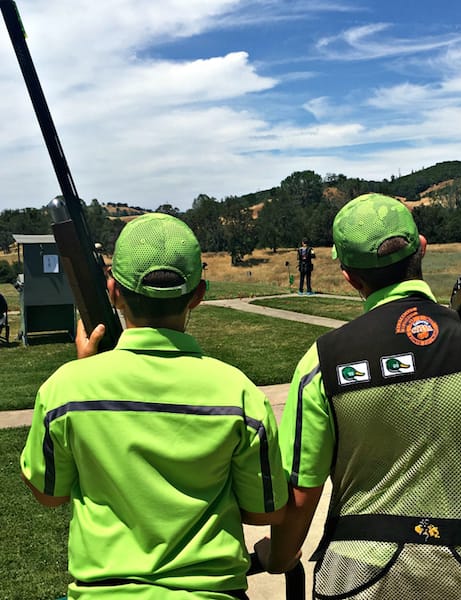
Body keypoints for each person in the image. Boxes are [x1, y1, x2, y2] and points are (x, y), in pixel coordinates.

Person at [256, 193, 461, 599]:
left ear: (349, 277)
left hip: (360, 574)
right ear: (421, 248)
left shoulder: (321, 362)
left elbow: (302, 494)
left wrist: (281, 559)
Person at [20, 213, 289, 600]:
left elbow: (49, 493)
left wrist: (86, 373)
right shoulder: (242, 396)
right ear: (198, 294)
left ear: (113, 292)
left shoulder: (65, 389)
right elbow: (265, 512)